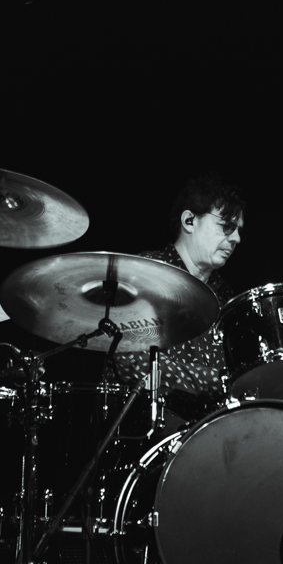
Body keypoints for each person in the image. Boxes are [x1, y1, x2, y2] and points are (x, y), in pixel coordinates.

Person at [107, 172, 245, 422]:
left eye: (238, 230)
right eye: (227, 226)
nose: (236, 238)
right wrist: (219, 382)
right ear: (189, 221)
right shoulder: (146, 274)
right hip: (148, 430)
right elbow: (131, 362)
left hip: (209, 432)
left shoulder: (224, 295)